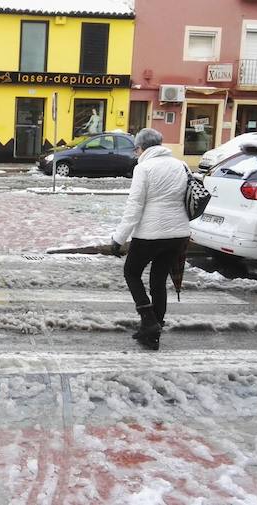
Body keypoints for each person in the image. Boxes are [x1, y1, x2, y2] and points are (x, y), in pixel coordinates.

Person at [110, 128, 190, 351]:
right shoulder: (180, 165)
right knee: (158, 280)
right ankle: (154, 330)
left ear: (141, 147)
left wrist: (119, 238)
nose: (135, 153)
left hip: (151, 234)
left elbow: (134, 206)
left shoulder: (143, 168)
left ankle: (148, 320)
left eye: (136, 148)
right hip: (178, 234)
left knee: (131, 272)